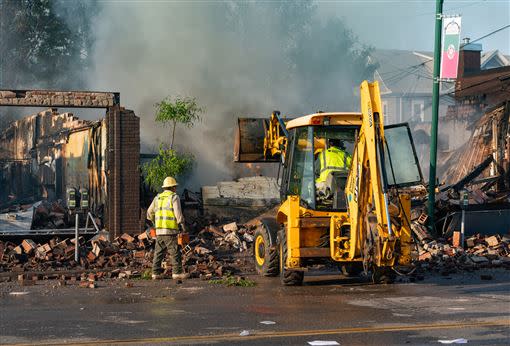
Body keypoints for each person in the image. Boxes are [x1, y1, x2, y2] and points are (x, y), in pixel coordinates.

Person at [147, 176, 189, 280]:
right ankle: (177, 273)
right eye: (175, 186)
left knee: (158, 253)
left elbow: (149, 213)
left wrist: (154, 222)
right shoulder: (174, 197)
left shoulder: (158, 198)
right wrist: (183, 226)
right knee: (174, 252)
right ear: (173, 187)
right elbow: (178, 214)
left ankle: (155, 273)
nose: (176, 188)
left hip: (159, 231)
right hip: (170, 231)